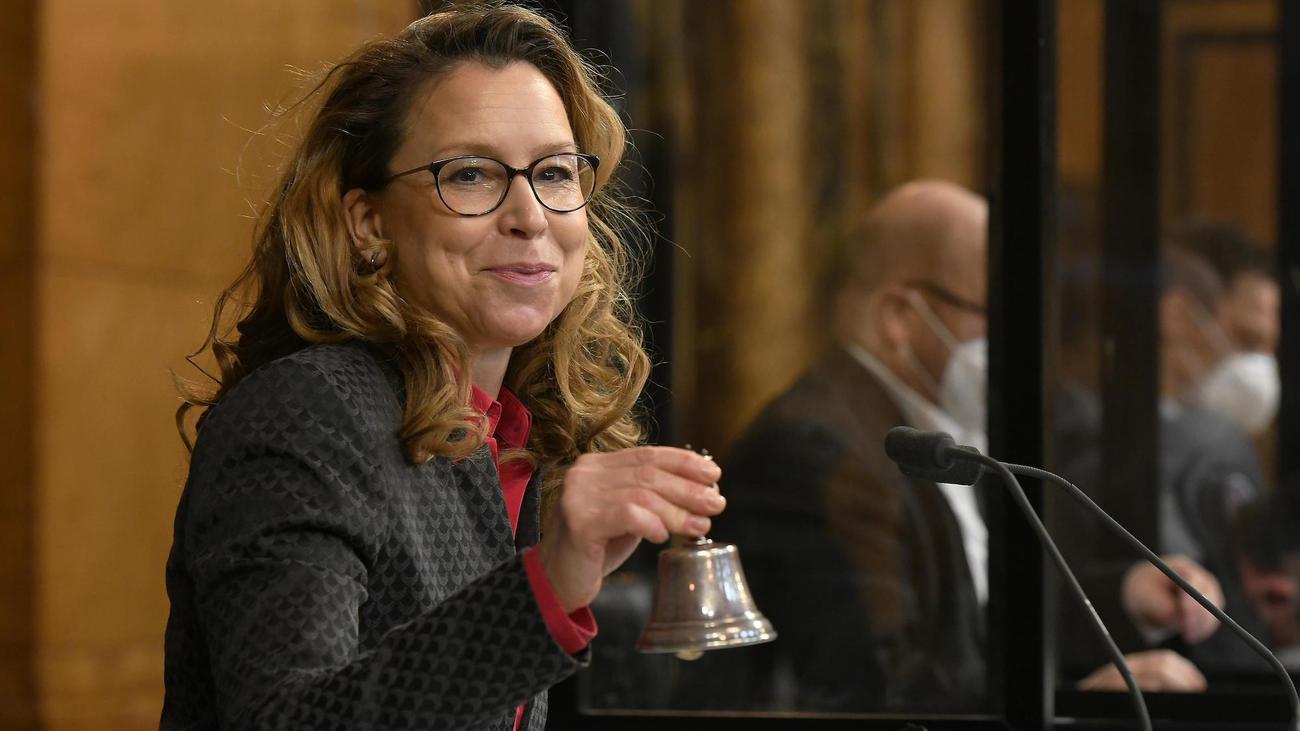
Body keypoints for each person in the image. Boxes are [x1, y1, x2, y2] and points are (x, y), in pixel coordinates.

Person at [160, 6, 725, 730]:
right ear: (368, 222)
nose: (530, 215)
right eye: (470, 174)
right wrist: (547, 587)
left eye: (555, 172)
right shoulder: (307, 412)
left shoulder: (512, 433)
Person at [693, 181, 1222, 712]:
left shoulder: (926, 428)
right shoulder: (817, 452)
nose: (1016, 345)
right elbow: (876, 689)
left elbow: (980, 624)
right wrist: (1071, 707)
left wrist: (1127, 597)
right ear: (900, 317)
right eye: (992, 315)